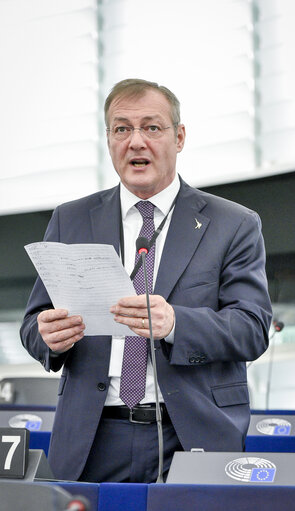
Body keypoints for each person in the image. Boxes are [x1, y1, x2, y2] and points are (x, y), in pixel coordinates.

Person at [20, 78, 272, 483]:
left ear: (180, 137)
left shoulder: (234, 223)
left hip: (191, 433)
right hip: (92, 437)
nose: (136, 141)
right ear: (109, 140)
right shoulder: (70, 219)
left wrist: (176, 324)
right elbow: (34, 326)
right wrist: (46, 335)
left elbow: (252, 329)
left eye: (152, 127)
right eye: (122, 129)